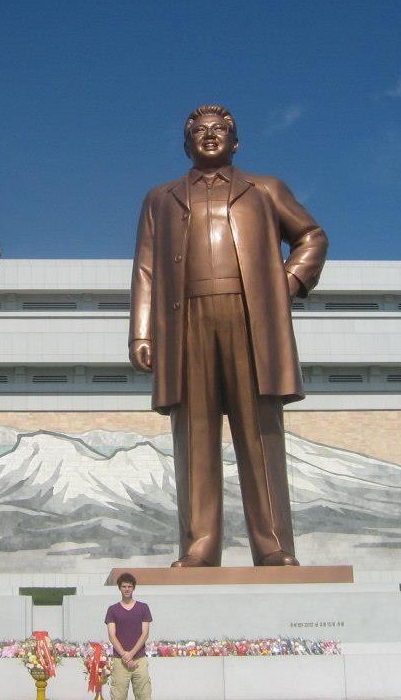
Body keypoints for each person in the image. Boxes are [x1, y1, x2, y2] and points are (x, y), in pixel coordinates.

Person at [129, 105, 328, 567]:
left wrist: (288, 282)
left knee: (260, 432)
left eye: (220, 130)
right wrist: (141, 332)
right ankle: (199, 546)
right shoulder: (160, 198)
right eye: (199, 131)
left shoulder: (265, 189)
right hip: (185, 322)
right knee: (194, 436)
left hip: (249, 317)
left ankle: (274, 544)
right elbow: (144, 269)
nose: (210, 136)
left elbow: (312, 236)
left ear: (236, 142)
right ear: (186, 144)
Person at [105, 572, 152, 700]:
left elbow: (145, 634)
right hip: (119, 660)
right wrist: (125, 657)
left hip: (139, 660)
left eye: (129, 586)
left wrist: (131, 654)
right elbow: (111, 635)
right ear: (119, 588)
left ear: (134, 588)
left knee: (144, 696)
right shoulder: (112, 609)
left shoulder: (143, 608)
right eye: (124, 586)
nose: (127, 589)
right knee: (118, 696)